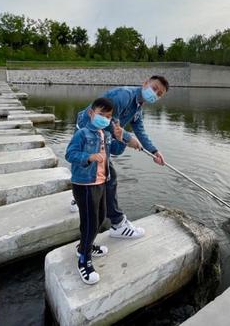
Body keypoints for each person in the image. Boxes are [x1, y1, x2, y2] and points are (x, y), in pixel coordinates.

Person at [71, 75, 169, 239]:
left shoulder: (138, 107)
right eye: (154, 88)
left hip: (102, 135)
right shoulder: (124, 96)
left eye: (159, 94)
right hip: (88, 130)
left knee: (96, 170)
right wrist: (127, 137)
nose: (155, 94)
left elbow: (140, 130)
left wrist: (153, 151)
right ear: (145, 83)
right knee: (108, 176)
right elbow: (104, 120)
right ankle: (117, 224)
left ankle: (79, 197)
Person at [65, 97, 114, 285]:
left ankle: (85, 246)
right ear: (91, 113)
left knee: (101, 217)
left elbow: (114, 151)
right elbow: (70, 154)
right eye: (102, 114)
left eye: (108, 116)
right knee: (89, 221)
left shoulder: (105, 134)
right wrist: (89, 157)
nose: (105, 119)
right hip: (84, 184)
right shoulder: (82, 133)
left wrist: (120, 137)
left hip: (100, 182)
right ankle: (83, 260)